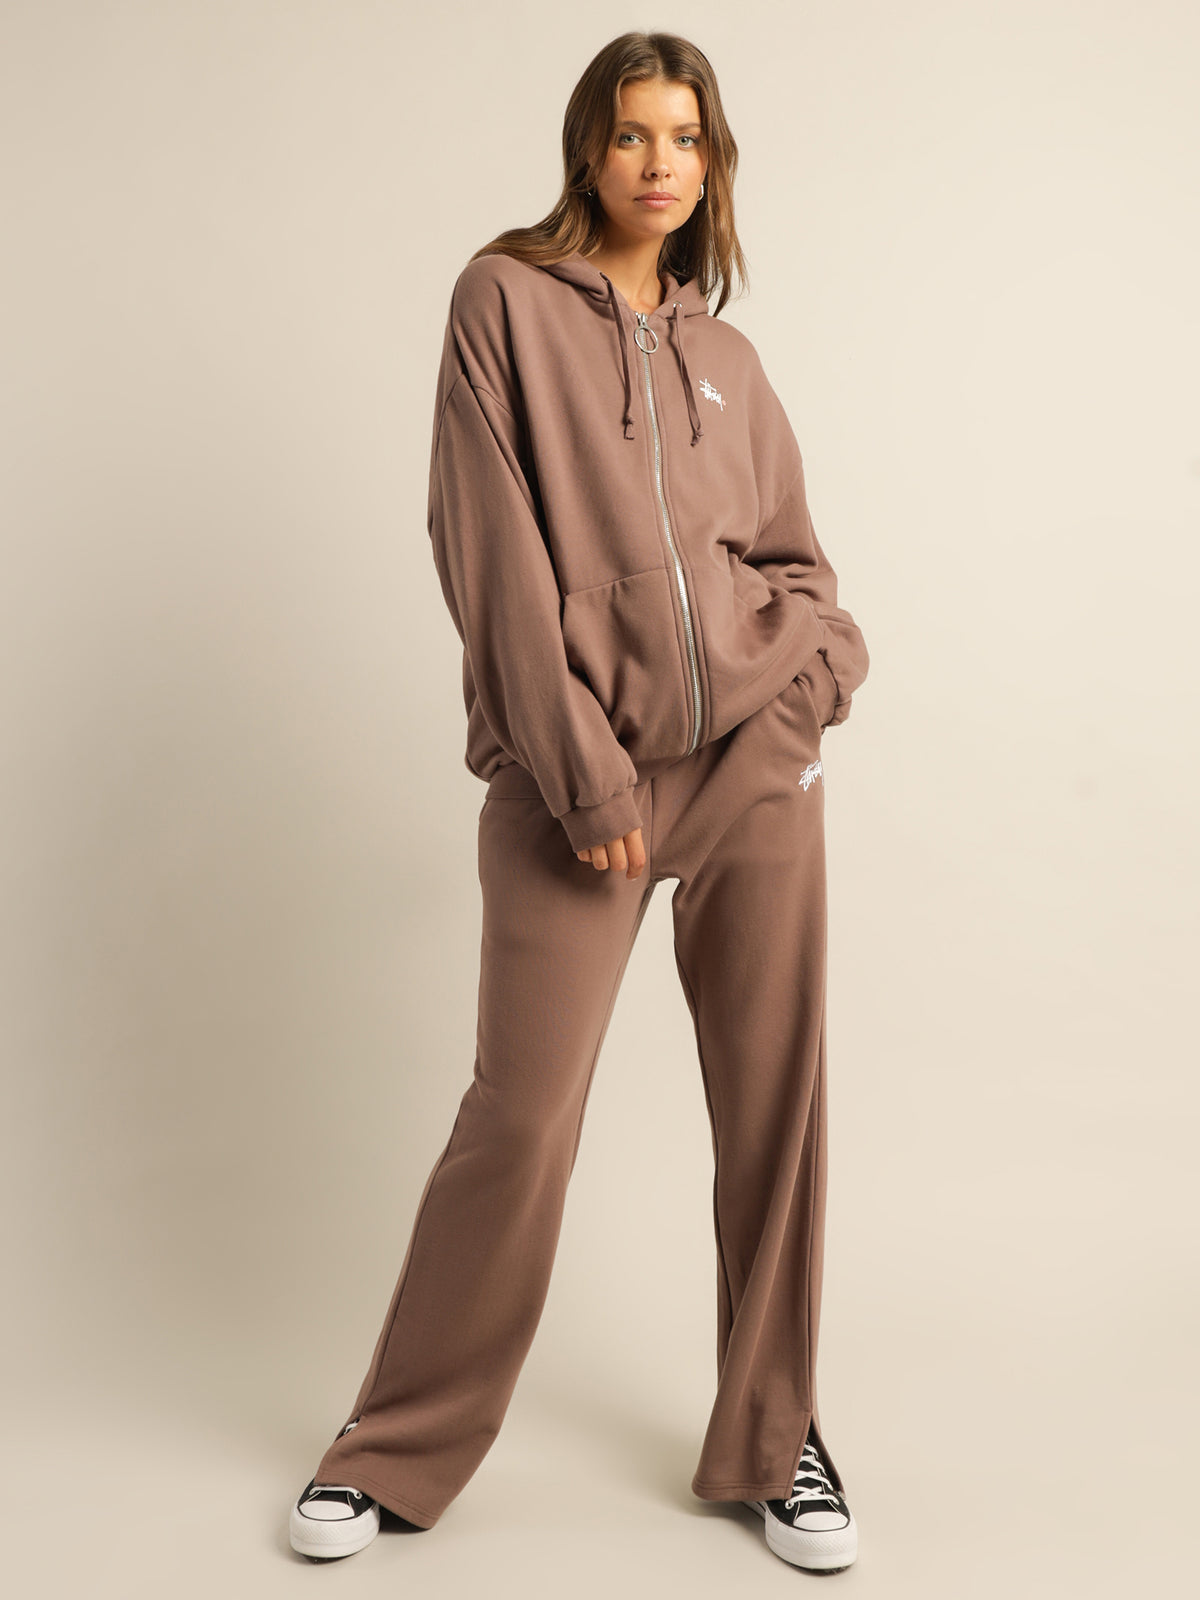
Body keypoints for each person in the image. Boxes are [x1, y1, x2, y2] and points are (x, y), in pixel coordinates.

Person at [288, 30, 869, 1576]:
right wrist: (584, 771)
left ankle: (777, 1437)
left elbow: (799, 569)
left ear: (712, 162)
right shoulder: (503, 304)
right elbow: (484, 550)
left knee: (776, 1105)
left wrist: (810, 687)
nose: (658, 162)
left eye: (685, 137)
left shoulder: (729, 360)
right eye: (632, 134)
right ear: (588, 151)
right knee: (522, 1114)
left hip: (754, 771)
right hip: (583, 784)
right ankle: (393, 1450)